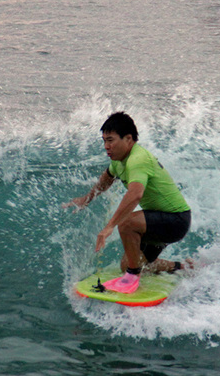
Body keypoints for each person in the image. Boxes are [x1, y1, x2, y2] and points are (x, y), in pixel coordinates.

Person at [64, 112, 192, 294]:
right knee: (129, 263)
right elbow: (107, 178)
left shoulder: (137, 160)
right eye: (104, 141)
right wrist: (87, 199)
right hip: (160, 222)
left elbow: (135, 194)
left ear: (128, 138)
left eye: (111, 140)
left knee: (126, 223)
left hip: (175, 220)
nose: (106, 146)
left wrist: (109, 227)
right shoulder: (119, 160)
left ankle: (132, 278)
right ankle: (180, 267)